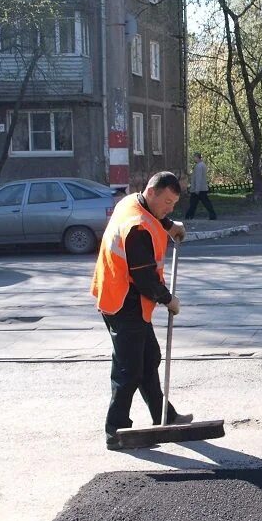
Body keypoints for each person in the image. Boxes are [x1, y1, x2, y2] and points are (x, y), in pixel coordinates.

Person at [91, 171, 191, 450]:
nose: (169, 208)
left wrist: (169, 225)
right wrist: (169, 299)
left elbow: (152, 214)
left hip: (123, 295)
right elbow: (146, 278)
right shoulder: (137, 228)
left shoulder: (132, 203)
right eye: (167, 202)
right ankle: (116, 430)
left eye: (174, 204)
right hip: (124, 301)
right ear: (152, 191)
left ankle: (165, 416)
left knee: (149, 358)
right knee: (130, 369)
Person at [186, 152, 216, 220]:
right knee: (201, 203)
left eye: (194, 157)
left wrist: (197, 189)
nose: (194, 158)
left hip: (198, 189)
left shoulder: (199, 166)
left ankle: (189, 216)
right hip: (202, 188)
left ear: (197, 157)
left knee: (194, 203)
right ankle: (189, 216)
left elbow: (198, 178)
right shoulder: (203, 165)